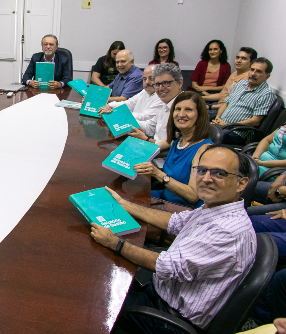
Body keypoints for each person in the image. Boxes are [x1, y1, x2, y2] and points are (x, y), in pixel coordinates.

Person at [90, 145, 255, 333]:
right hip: (163, 294)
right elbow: (175, 221)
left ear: (241, 184)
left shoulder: (228, 231)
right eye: (202, 170)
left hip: (168, 320)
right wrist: (125, 204)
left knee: (92, 302)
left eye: (219, 173)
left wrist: (114, 242)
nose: (207, 179)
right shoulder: (217, 209)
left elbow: (167, 266)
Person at [136, 92, 212, 208]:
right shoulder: (179, 140)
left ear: (199, 115)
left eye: (188, 110)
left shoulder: (204, 150)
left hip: (182, 210)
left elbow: (193, 196)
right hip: (165, 198)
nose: (181, 114)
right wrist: (123, 153)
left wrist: (157, 173)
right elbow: (155, 147)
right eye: (177, 109)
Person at [212, 57, 276, 145]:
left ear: (267, 76)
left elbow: (255, 121)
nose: (253, 74)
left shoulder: (266, 93)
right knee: (193, 127)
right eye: (252, 69)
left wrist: (227, 125)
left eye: (258, 71)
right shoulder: (242, 83)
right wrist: (217, 118)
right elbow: (226, 103)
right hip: (221, 125)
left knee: (202, 134)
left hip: (236, 133)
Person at [127, 63, 183, 147]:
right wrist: (121, 120)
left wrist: (146, 140)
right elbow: (149, 127)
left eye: (166, 83)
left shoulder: (184, 107)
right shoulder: (167, 103)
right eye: (157, 84)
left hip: (163, 157)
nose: (160, 88)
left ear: (180, 83)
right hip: (154, 151)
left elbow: (175, 146)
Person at [98, 65, 164, 124]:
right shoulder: (144, 91)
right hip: (132, 125)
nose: (147, 82)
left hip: (143, 132)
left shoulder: (162, 96)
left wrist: (115, 112)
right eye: (144, 79)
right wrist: (109, 106)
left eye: (151, 78)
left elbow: (145, 116)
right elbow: (128, 103)